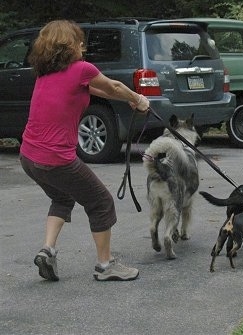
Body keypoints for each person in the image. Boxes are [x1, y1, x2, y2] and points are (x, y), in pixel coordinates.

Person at [19, 20, 149, 282]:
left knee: (63, 198)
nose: (83, 45)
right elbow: (112, 86)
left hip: (28, 157)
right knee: (100, 202)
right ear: (67, 45)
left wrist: (129, 100)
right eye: (78, 41)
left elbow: (97, 89)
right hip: (56, 159)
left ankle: (48, 250)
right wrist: (138, 98)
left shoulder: (46, 74)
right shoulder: (80, 68)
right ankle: (105, 265)